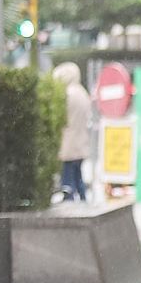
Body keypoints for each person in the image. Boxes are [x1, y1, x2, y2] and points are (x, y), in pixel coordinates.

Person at [53, 63, 91, 201]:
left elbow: (61, 116)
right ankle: (83, 200)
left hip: (68, 141)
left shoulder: (67, 94)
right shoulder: (82, 92)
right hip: (81, 140)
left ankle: (69, 201)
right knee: (78, 175)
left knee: (67, 176)